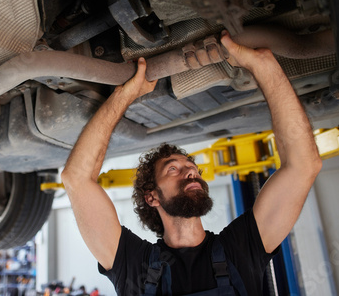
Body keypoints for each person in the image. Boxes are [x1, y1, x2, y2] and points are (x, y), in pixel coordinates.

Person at [61, 32, 323, 295]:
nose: (191, 172)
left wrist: (264, 67)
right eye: (173, 169)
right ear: (151, 197)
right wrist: (123, 95)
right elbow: (76, 179)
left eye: (193, 168)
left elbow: (303, 165)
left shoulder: (134, 266)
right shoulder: (238, 252)